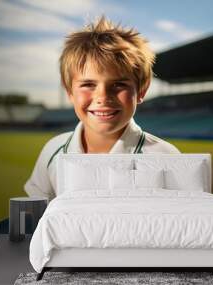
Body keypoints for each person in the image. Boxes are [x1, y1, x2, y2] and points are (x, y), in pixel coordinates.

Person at [24, 16, 180, 201]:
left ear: (141, 91)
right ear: (70, 92)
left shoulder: (167, 158)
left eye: (119, 84)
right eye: (88, 84)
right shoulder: (53, 150)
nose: (103, 97)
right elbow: (38, 218)